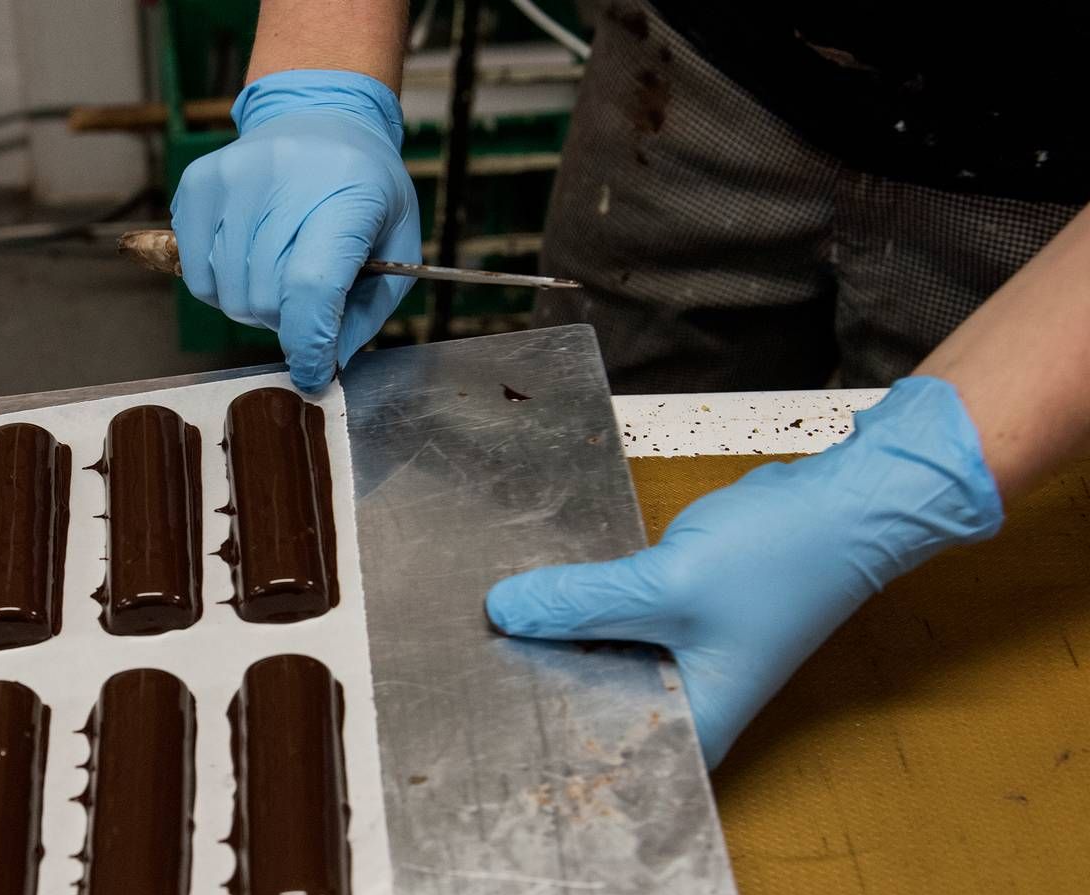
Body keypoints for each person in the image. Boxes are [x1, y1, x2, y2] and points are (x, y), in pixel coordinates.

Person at [169, 0, 1090, 766]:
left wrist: (909, 479)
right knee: (563, 495)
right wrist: (321, 80)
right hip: (702, 65)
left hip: (1054, 175)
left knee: (941, 658)